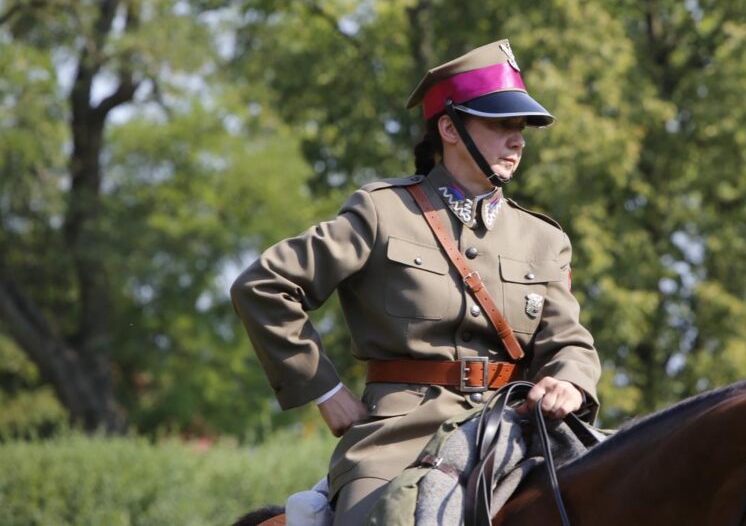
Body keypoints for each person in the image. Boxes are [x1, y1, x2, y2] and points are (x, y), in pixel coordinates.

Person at [231, 39, 601, 525]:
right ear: (449, 128)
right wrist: (324, 389)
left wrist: (570, 382)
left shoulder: (544, 239)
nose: (518, 141)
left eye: (521, 128)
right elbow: (264, 285)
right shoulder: (383, 211)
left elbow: (569, 341)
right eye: (500, 125)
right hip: (399, 441)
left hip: (513, 432)